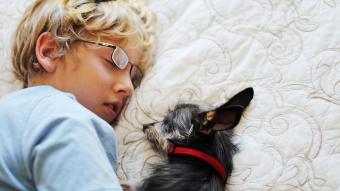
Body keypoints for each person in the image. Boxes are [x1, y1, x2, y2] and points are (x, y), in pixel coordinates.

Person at [0, 0, 155, 190]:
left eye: (135, 77)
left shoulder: (11, 113)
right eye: (115, 61)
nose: (129, 87)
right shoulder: (65, 118)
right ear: (50, 51)